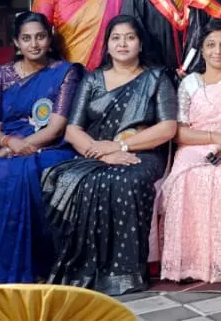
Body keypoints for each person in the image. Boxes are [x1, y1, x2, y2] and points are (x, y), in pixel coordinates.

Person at [41, 15, 178, 295]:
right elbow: (73, 130)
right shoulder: (92, 80)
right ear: (107, 44)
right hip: (96, 153)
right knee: (63, 179)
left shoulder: (156, 78)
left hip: (142, 152)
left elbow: (168, 128)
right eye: (116, 38)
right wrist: (101, 154)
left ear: (141, 44)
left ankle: (124, 274)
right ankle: (81, 268)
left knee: (124, 181)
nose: (122, 44)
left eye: (130, 38)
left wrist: (120, 147)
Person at [0, 13, 80, 284]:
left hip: (48, 147)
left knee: (19, 175)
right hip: (11, 144)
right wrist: (9, 144)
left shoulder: (65, 73)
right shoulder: (1, 75)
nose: (34, 44)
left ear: (50, 38)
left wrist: (6, 152)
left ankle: (21, 264)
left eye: (40, 37)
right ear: (16, 42)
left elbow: (56, 128)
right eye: (26, 38)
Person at [155, 22, 221, 283]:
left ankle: (220, 263)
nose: (218, 52)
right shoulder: (190, 83)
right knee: (184, 179)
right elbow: (180, 132)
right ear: (201, 50)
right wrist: (214, 138)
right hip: (195, 146)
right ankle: (187, 262)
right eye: (211, 45)